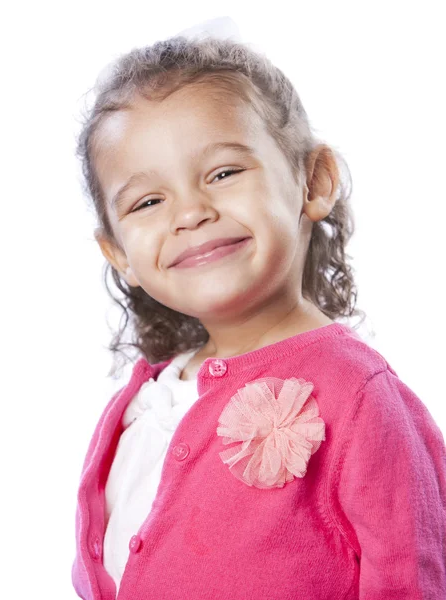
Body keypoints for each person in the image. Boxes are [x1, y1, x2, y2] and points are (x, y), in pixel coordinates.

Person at [71, 25, 446, 600]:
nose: (191, 212)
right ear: (120, 253)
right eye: (149, 201)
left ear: (313, 181)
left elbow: (411, 575)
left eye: (223, 173)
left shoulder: (360, 396)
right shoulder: (145, 403)